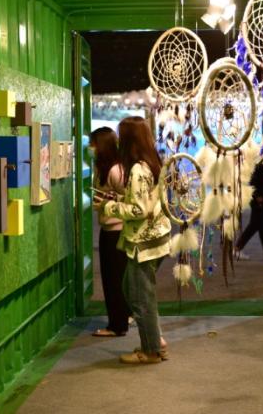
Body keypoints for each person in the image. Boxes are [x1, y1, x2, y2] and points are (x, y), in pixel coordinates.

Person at [95, 117, 171, 365]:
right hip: (156, 238)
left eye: (121, 136)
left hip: (143, 242)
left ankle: (151, 351)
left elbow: (139, 210)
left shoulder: (138, 170)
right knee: (134, 291)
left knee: (139, 297)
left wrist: (109, 207)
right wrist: (117, 200)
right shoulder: (153, 163)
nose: (118, 141)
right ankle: (155, 341)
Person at [89, 127, 131, 338]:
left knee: (113, 280)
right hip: (108, 229)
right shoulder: (103, 168)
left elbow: (130, 199)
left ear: (102, 145)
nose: (91, 148)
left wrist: (109, 200)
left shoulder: (115, 170)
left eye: (93, 144)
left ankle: (117, 325)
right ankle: (124, 316)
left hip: (117, 230)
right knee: (115, 279)